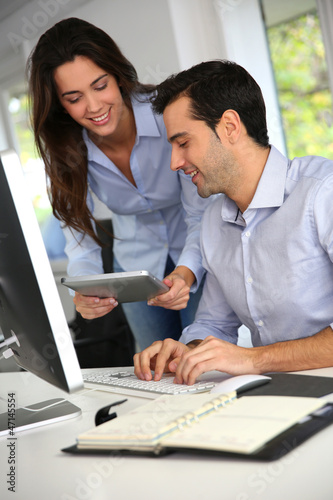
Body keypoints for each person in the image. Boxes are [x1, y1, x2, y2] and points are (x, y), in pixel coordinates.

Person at [134, 59, 333, 384]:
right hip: (277, 395)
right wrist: (189, 351)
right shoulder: (214, 221)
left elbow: (250, 358)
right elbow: (213, 324)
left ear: (229, 127)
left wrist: (253, 359)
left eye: (183, 143)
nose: (174, 163)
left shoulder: (323, 193)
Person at [28, 18, 211, 351]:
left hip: (199, 255)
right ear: (59, 104)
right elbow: (79, 240)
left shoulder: (166, 113)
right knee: (153, 368)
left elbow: (200, 214)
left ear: (118, 76)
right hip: (136, 266)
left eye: (100, 86)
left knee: (200, 360)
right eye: (74, 98)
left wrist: (186, 273)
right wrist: (84, 290)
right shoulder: (66, 151)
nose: (94, 107)